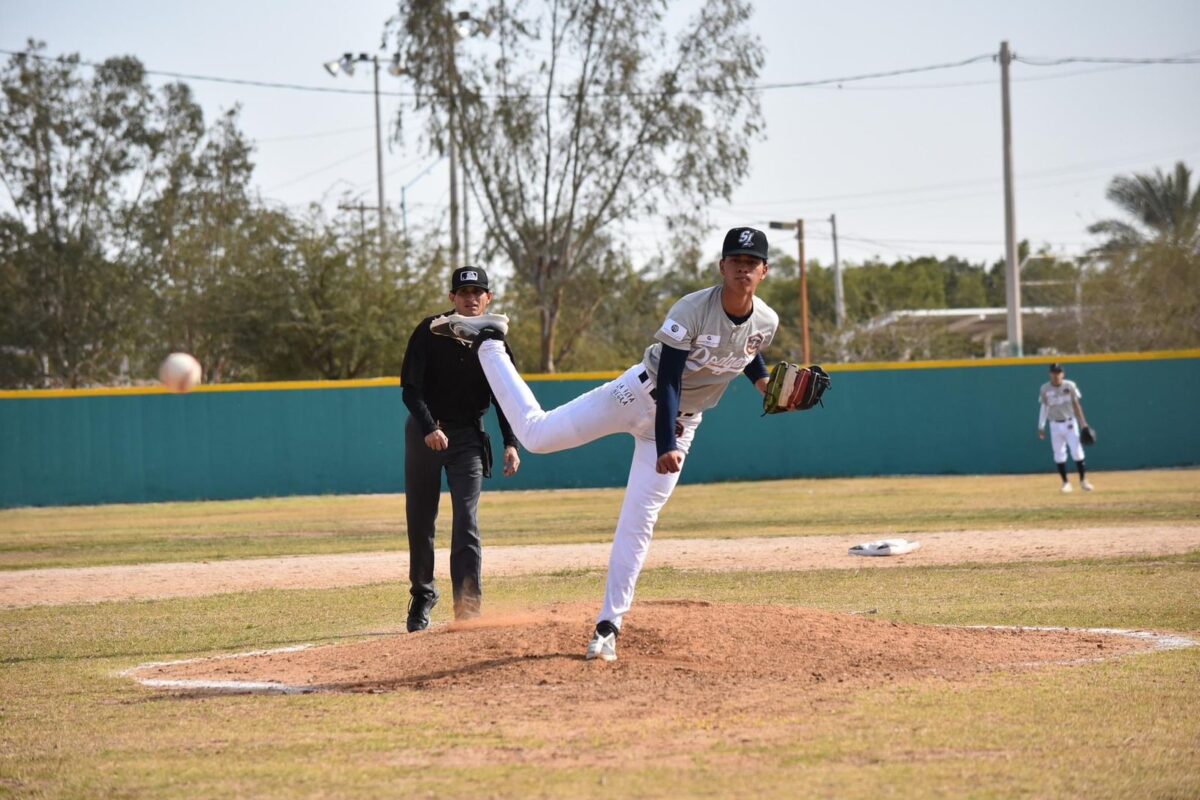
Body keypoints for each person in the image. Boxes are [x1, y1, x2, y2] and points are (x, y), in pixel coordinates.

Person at [428, 227, 781, 661]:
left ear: (764, 270)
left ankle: (608, 625)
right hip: (637, 395)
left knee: (639, 521)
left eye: (751, 263)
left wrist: (764, 382)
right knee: (537, 435)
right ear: (722, 266)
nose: (743, 269)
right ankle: (488, 341)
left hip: (683, 424)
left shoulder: (767, 320)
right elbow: (670, 377)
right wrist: (666, 441)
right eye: (736, 261)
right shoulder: (692, 308)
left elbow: (746, 348)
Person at [400, 266, 522, 632]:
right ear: (452, 297)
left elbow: (506, 398)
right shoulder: (430, 330)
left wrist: (511, 444)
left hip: (468, 437)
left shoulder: (495, 340)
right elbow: (410, 388)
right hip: (425, 432)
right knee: (421, 520)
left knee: (466, 521)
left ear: (489, 299)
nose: (471, 298)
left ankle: (467, 607)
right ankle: (423, 595)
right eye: (463, 292)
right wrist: (429, 427)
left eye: (478, 292)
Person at [1037, 362, 1093, 493]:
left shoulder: (1070, 385)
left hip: (1070, 423)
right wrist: (1041, 425)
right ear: (1050, 374)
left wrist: (1083, 423)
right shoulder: (1045, 388)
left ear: (1063, 374)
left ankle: (1083, 480)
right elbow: (1044, 407)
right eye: (1053, 373)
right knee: (1059, 454)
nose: (1056, 375)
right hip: (1054, 424)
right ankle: (1065, 483)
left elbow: (1076, 405)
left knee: (1077, 451)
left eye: (1058, 372)